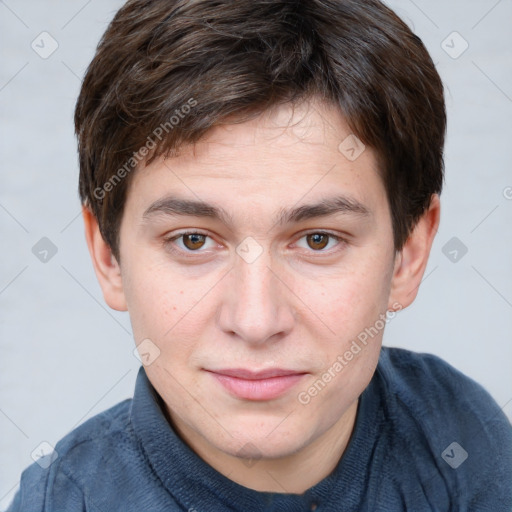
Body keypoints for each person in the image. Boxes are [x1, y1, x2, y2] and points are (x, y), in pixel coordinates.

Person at [8, 0, 512, 510]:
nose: (255, 321)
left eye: (319, 240)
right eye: (193, 240)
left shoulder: (463, 435)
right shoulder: (62, 501)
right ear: (108, 256)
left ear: (409, 253)